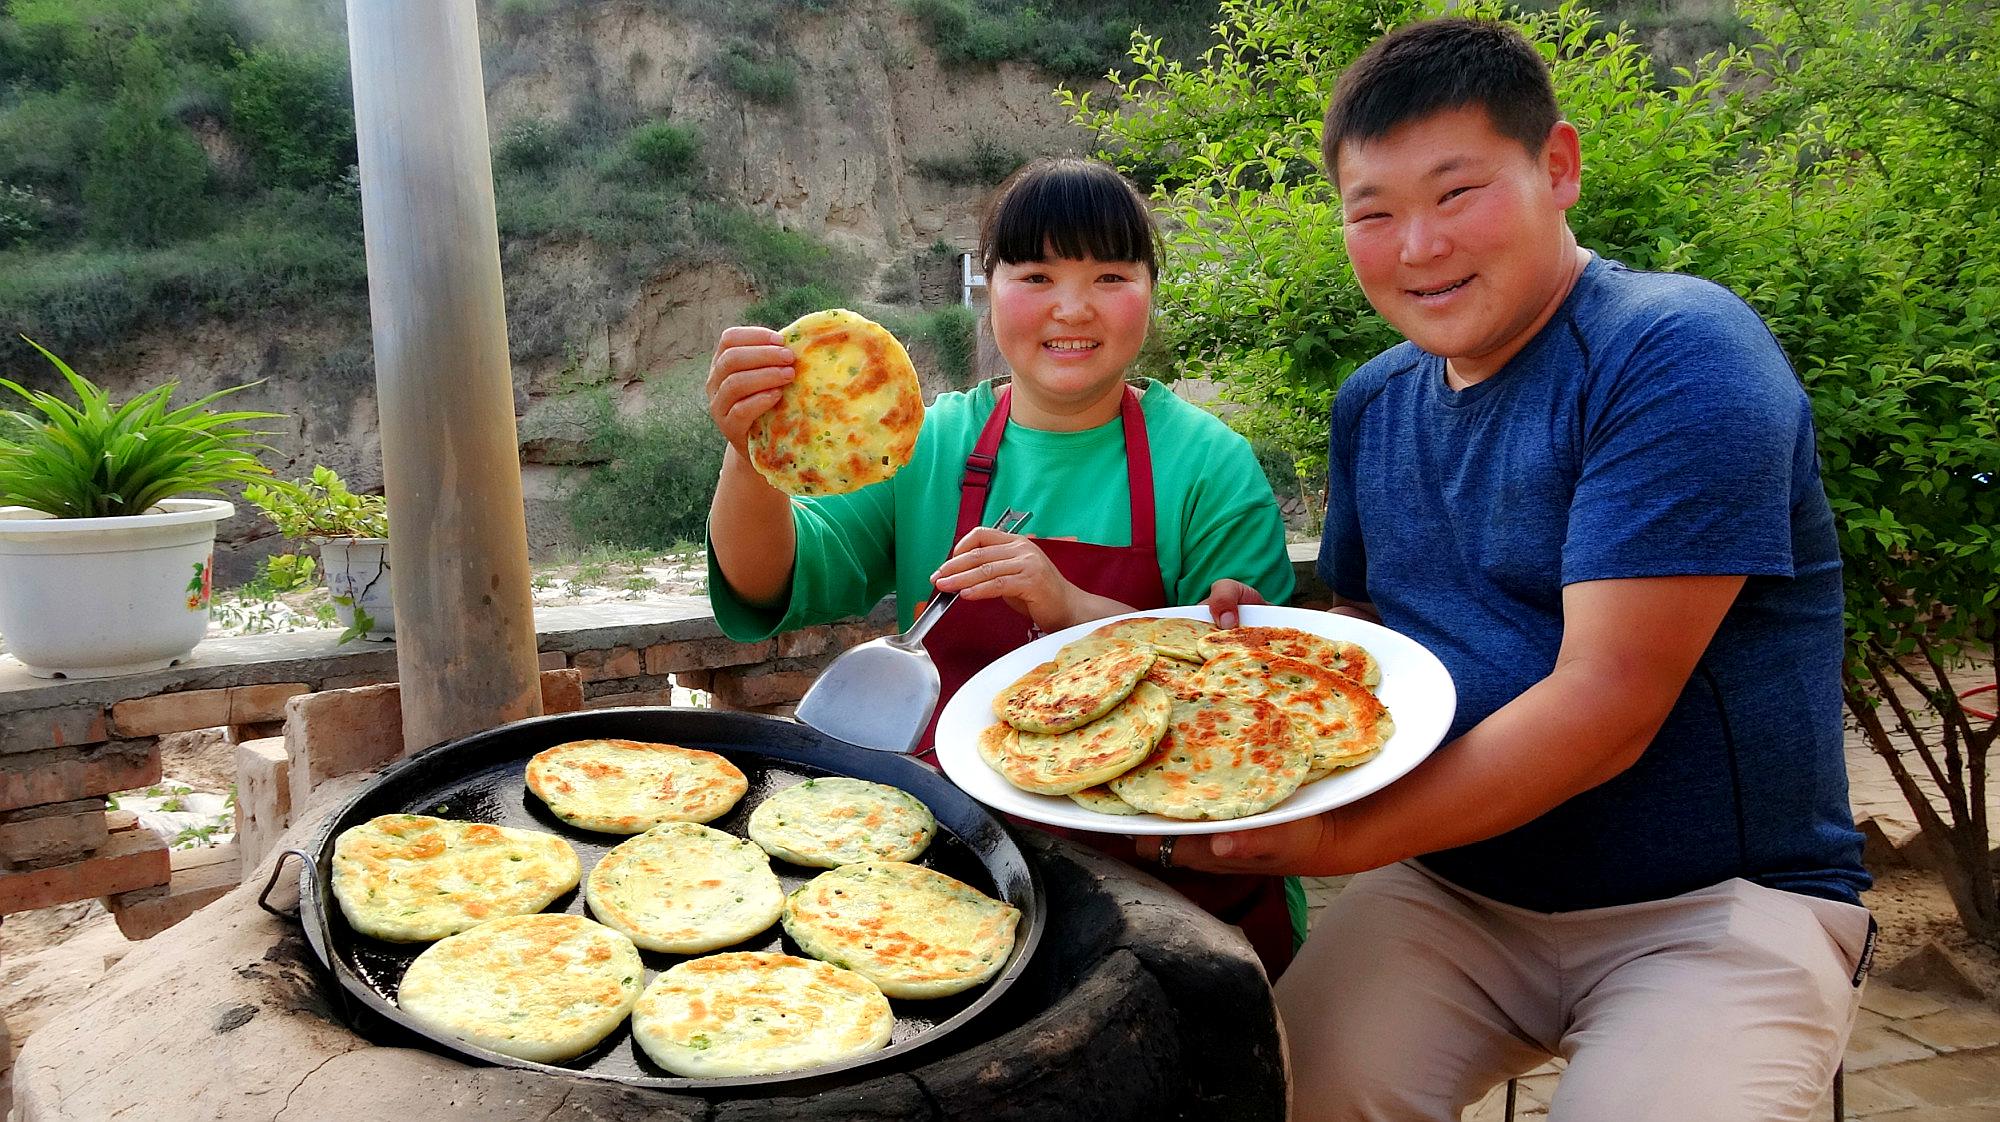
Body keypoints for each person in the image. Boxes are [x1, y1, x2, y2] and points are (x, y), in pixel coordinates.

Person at [1155, 18, 1874, 1121]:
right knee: (1263, 1094)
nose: (1417, 245)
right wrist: (1290, 663)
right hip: (1457, 890)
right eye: (1373, 212)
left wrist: (1337, 840)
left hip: (1712, 908)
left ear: (1557, 166)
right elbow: (1371, 627)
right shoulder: (1375, 400)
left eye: (1456, 193)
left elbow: (1605, 704)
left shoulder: (1672, 351)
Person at [703, 156, 1301, 972]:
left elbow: (1250, 697)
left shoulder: (1208, 464)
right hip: (957, 862)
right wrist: (749, 454)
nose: (1072, 306)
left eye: (1110, 275)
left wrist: (1074, 611)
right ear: (990, 291)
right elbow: (770, 579)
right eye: (1037, 274)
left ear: (1150, 291)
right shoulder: (931, 444)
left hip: (1173, 880)